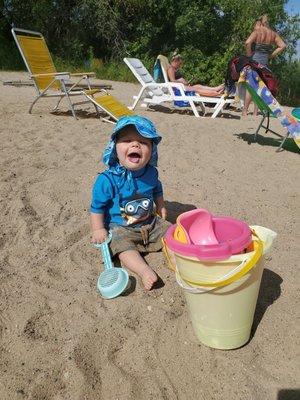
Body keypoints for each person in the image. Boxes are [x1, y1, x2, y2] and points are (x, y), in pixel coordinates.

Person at [90, 115, 171, 291]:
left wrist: (161, 205)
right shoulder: (107, 179)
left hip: (150, 222)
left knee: (172, 231)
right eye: (127, 140)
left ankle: (180, 258)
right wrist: (98, 229)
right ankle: (143, 270)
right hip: (122, 228)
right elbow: (97, 207)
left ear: (151, 150)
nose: (135, 145)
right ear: (114, 148)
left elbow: (157, 188)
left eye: (143, 142)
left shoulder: (151, 173)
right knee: (121, 246)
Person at [242, 14, 286, 116]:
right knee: (260, 86)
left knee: (251, 85)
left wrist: (248, 56)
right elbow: (282, 46)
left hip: (255, 61)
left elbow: (247, 43)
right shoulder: (273, 34)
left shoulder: (257, 32)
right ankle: (255, 112)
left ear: (260, 23)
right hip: (264, 63)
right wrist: (271, 55)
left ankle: (245, 110)